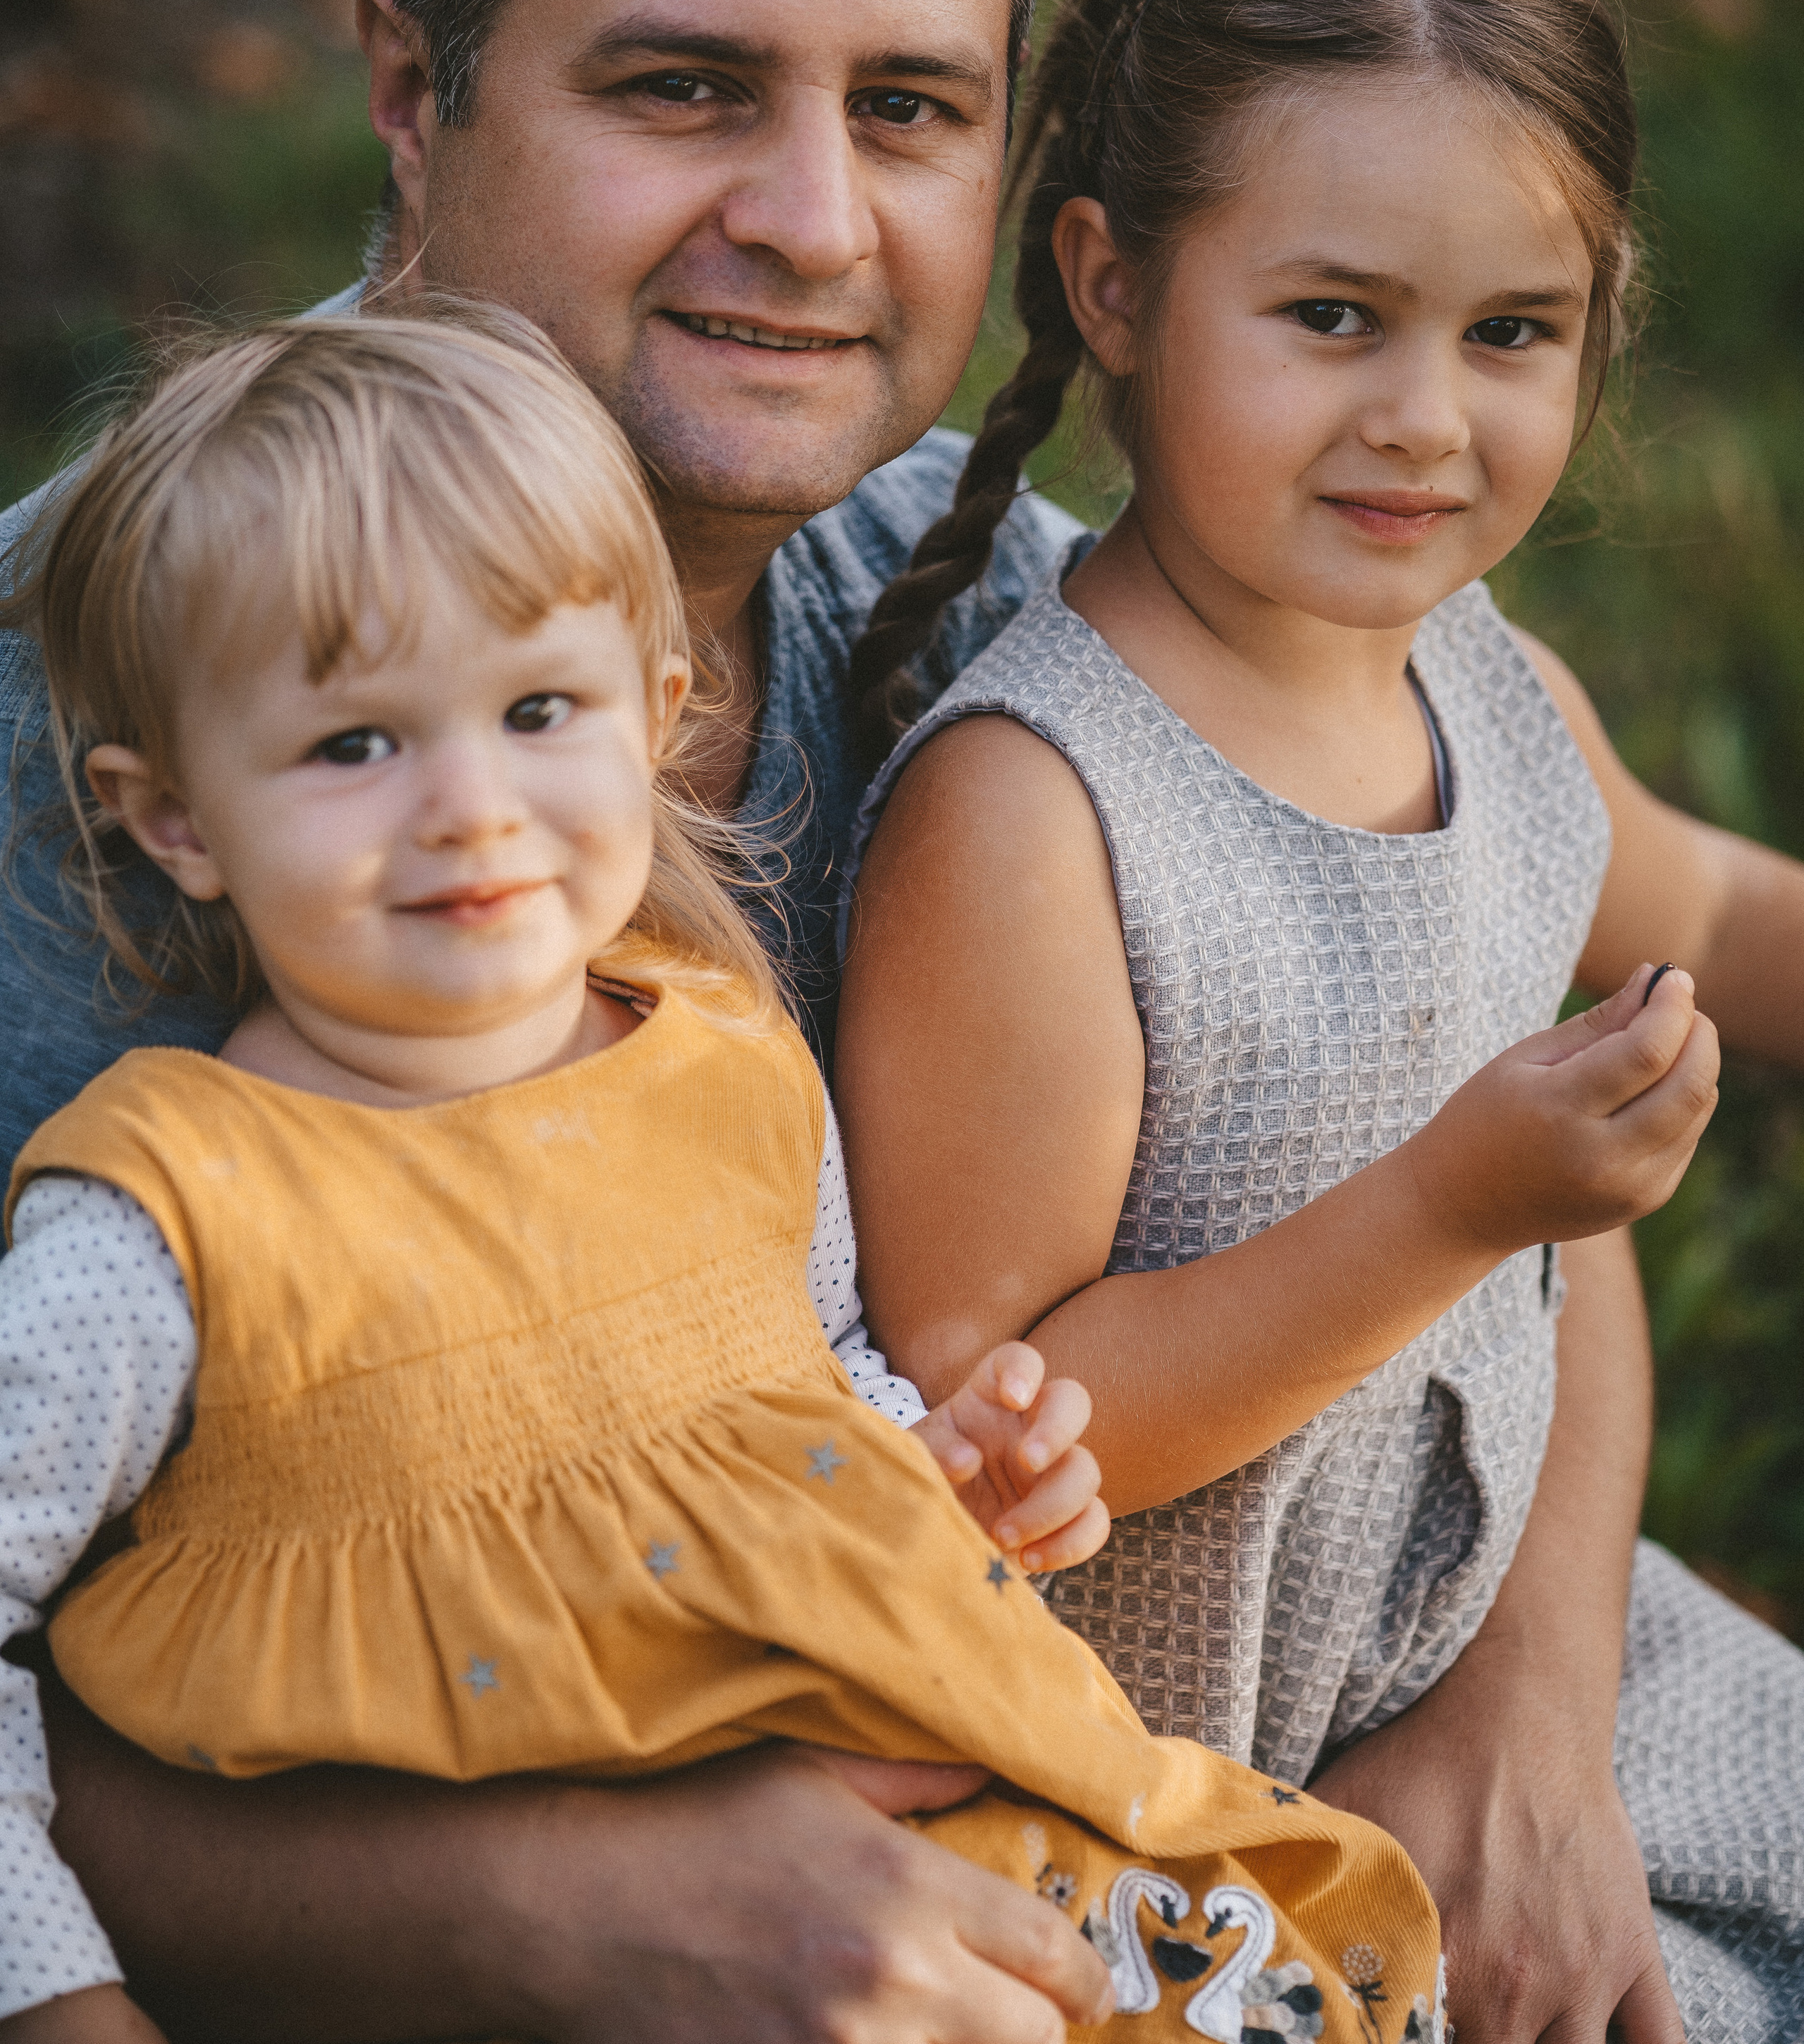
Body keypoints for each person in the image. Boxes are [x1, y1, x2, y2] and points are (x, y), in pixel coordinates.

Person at [0, 0, 1112, 2044]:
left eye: (909, 107)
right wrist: (561, 1917)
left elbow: (1493, 947)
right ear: (415, 90)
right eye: (689, 87)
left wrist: (1518, 1699)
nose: (814, 218)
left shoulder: (1004, 608)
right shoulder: (70, 731)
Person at [1, 308, 1444, 2044]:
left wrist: (943, 1476)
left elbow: (804, 1393)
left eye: (537, 709)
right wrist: (62, 2003)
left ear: (653, 715)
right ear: (175, 818)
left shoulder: (723, 1053)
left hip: (959, 1870)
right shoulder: (165, 1220)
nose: (466, 806)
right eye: (353, 745)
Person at [836, 0, 1804, 2044]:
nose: (1425, 419)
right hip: (1191, 1802)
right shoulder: (1037, 817)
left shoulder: (1492, 686)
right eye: (1334, 318)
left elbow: (1719, 906)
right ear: (1111, 287)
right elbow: (1000, 1433)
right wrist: (1455, 1207)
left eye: (1511, 333)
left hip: (1496, 1644)